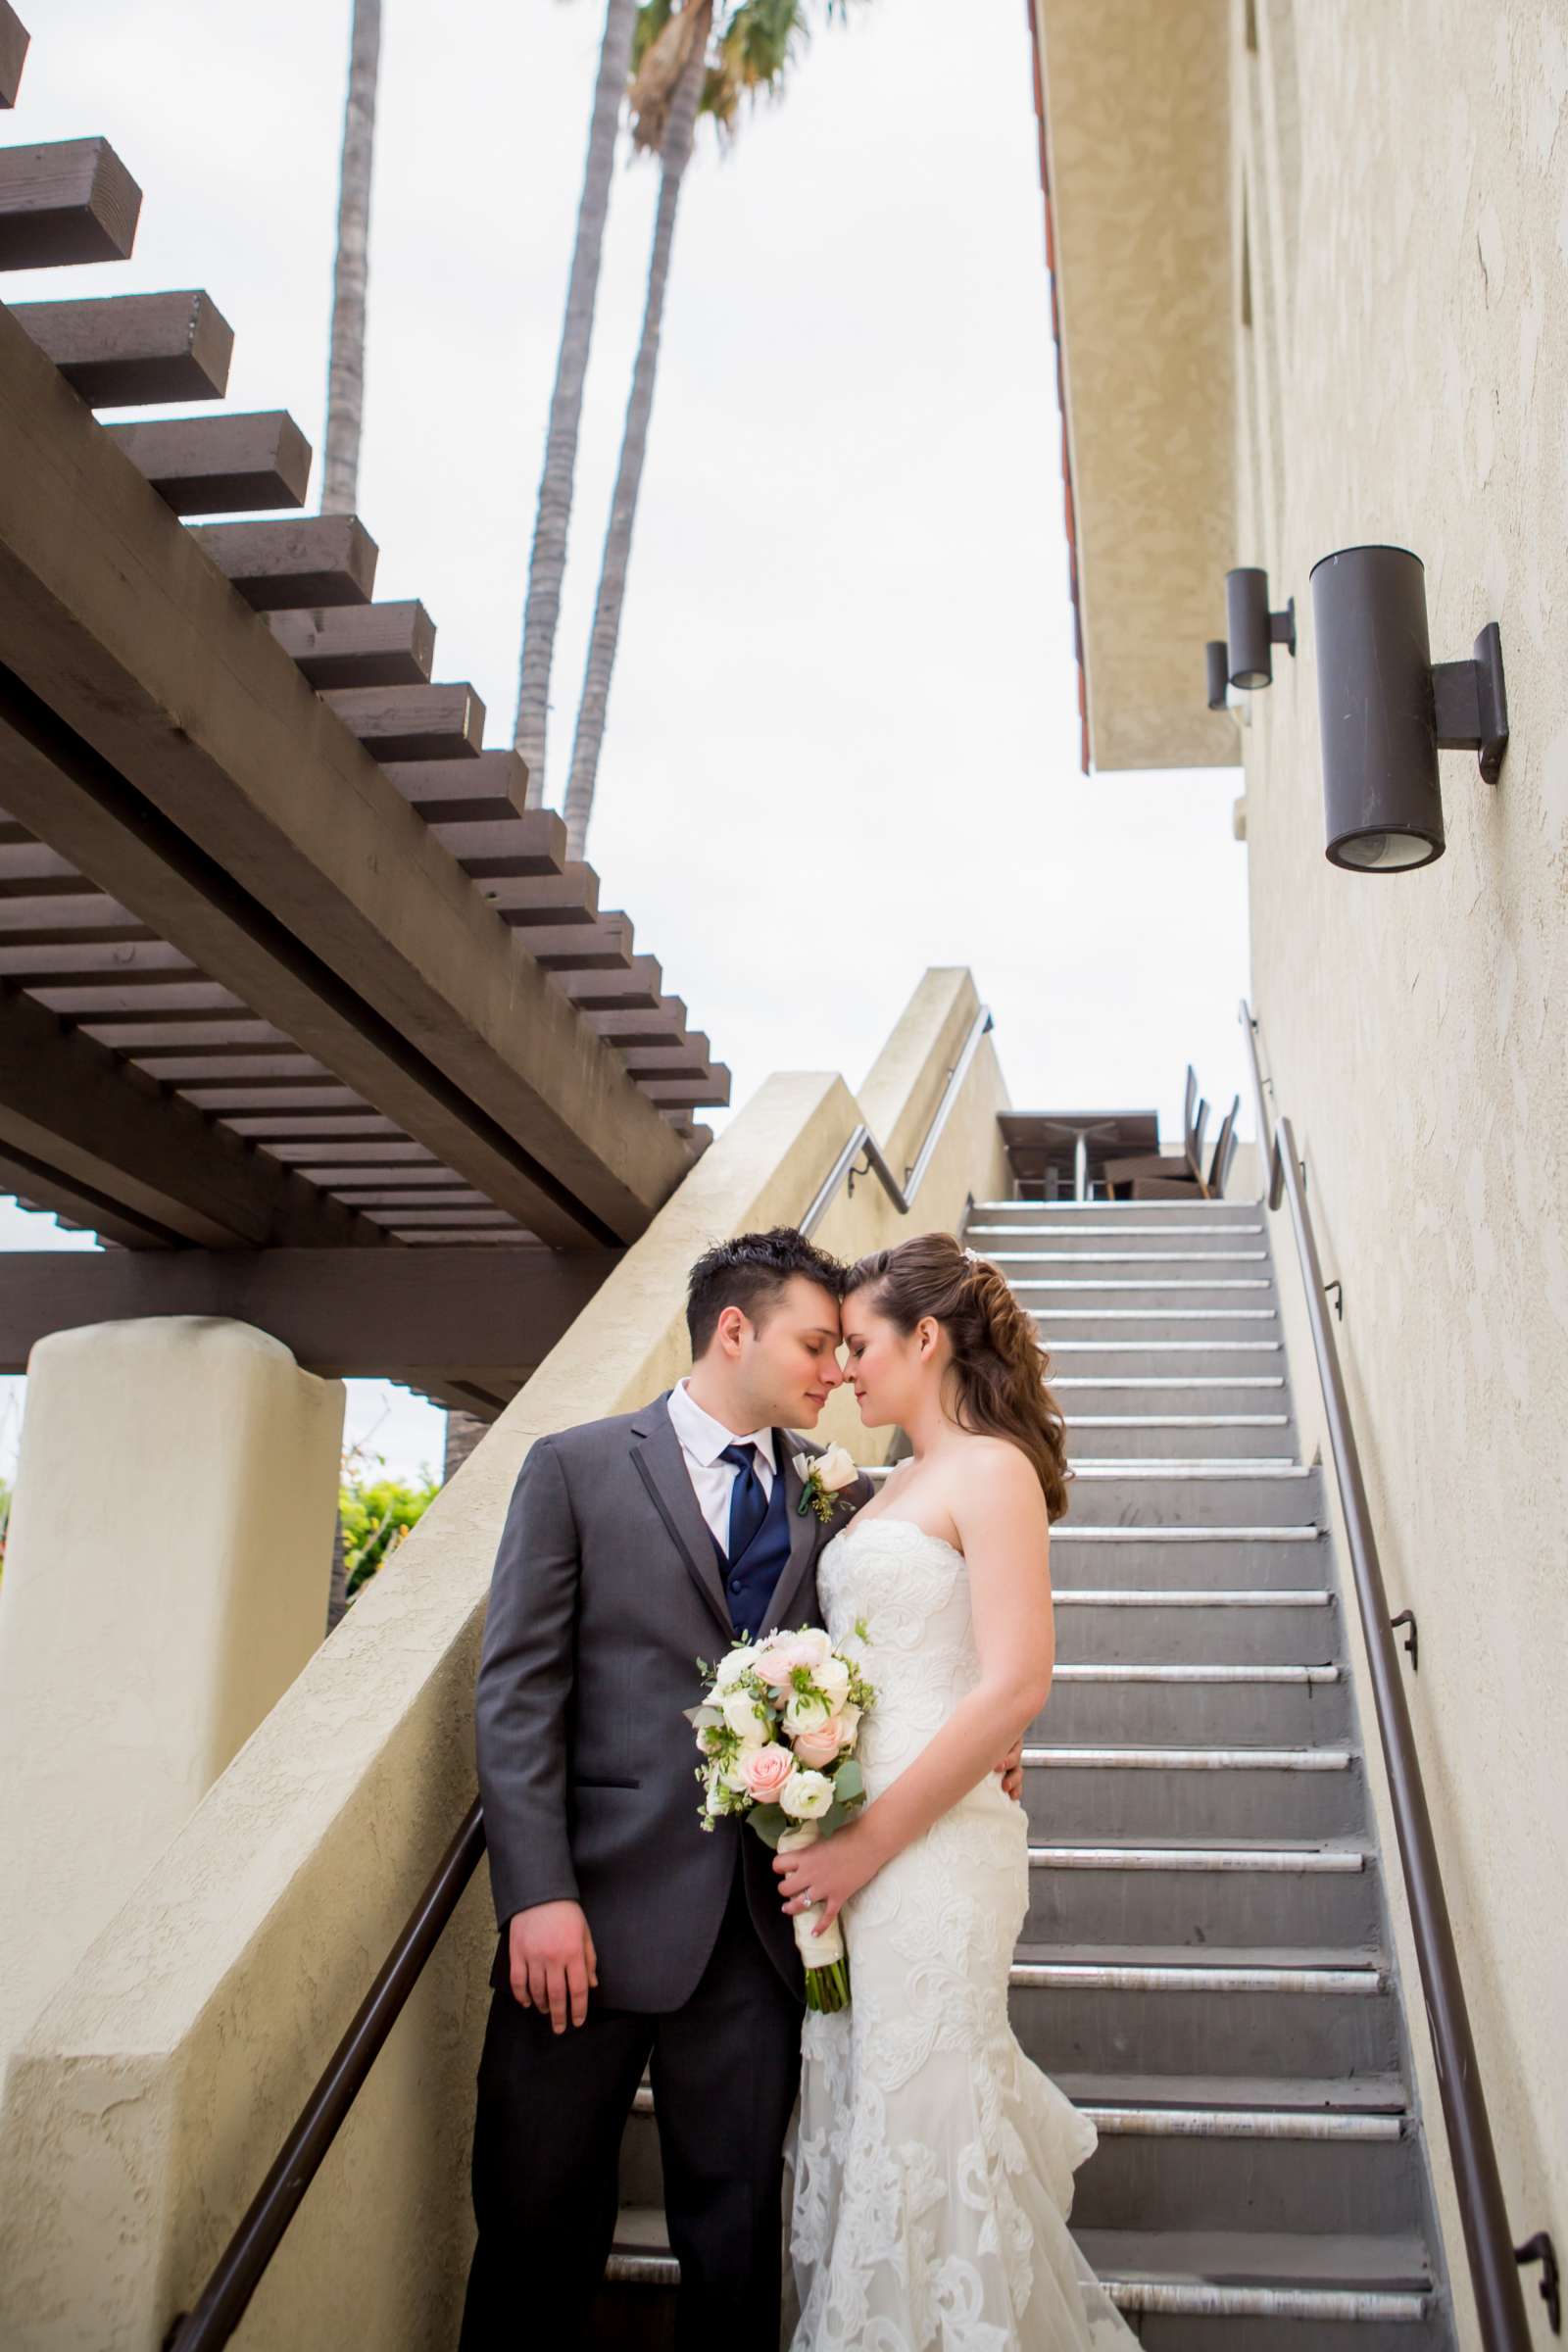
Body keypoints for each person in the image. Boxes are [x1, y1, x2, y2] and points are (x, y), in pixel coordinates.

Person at [460, 1227, 875, 2349]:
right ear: (733, 1330)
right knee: (534, 2229)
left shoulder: (836, 1498)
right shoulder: (576, 1467)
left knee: (736, 2244)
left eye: (844, 1349)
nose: (836, 1371)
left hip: (751, 1935)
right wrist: (533, 1893)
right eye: (816, 1342)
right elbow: (516, 1693)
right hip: (580, 1925)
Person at [776, 1231, 1139, 2349]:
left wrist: (863, 1842)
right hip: (861, 1853)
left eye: (863, 1345)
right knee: (869, 2119)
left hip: (926, 1857)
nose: (844, 1370)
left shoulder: (992, 1471)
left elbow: (1015, 1678)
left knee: (926, 2126)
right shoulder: (887, 1487)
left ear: (926, 1338)